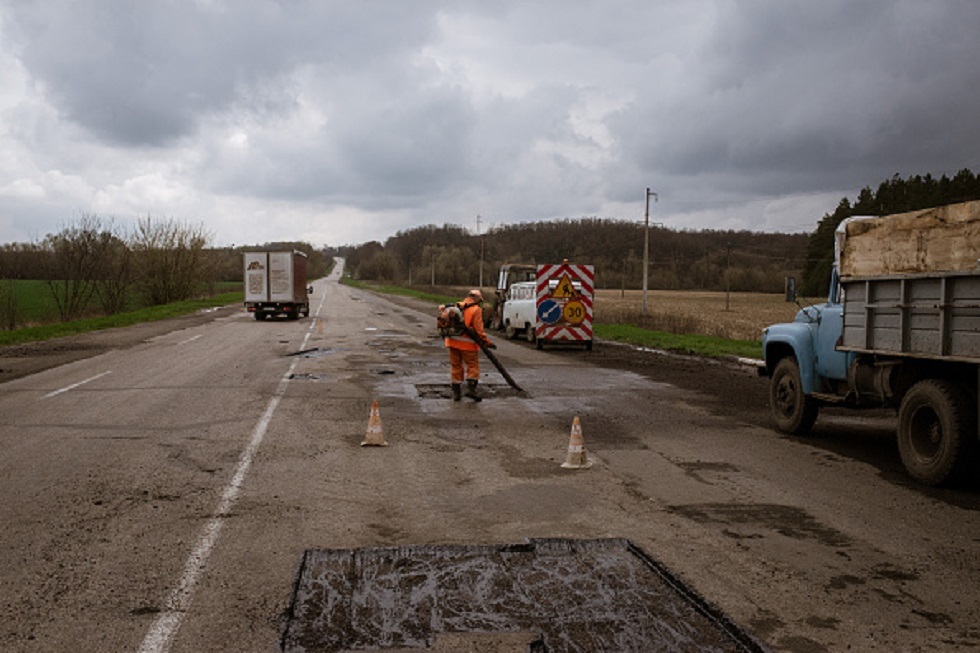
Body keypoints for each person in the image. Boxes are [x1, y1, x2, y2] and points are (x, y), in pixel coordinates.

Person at [444, 289, 495, 401]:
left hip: (452, 342)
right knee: (472, 366)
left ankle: (457, 393)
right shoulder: (476, 310)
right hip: (467, 344)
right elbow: (479, 330)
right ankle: (470, 390)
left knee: (456, 366)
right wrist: (487, 342)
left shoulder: (456, 306)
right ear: (477, 299)